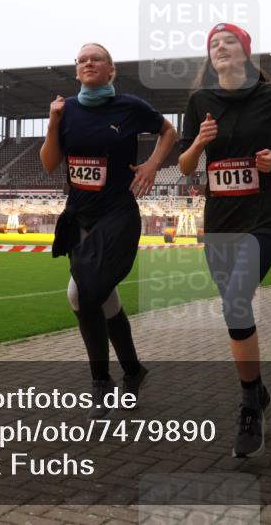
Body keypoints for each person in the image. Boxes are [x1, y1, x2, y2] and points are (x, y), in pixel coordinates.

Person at [178, 23, 271, 458]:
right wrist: (198, 142)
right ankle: (259, 389)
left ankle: (250, 407)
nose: (220, 48)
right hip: (219, 225)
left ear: (245, 52)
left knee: (236, 301)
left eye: (228, 41)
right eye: (213, 45)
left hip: (262, 222)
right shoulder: (199, 103)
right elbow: (183, 166)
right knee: (234, 310)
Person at [41, 42, 177, 419]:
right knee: (92, 295)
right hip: (79, 215)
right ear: (76, 70)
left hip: (117, 212)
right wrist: (53, 123)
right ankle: (133, 370)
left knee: (85, 292)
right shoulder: (65, 110)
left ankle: (101, 383)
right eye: (81, 59)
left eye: (95, 58)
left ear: (110, 69)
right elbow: (51, 164)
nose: (88, 63)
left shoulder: (130, 107)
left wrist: (151, 165)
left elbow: (169, 131)